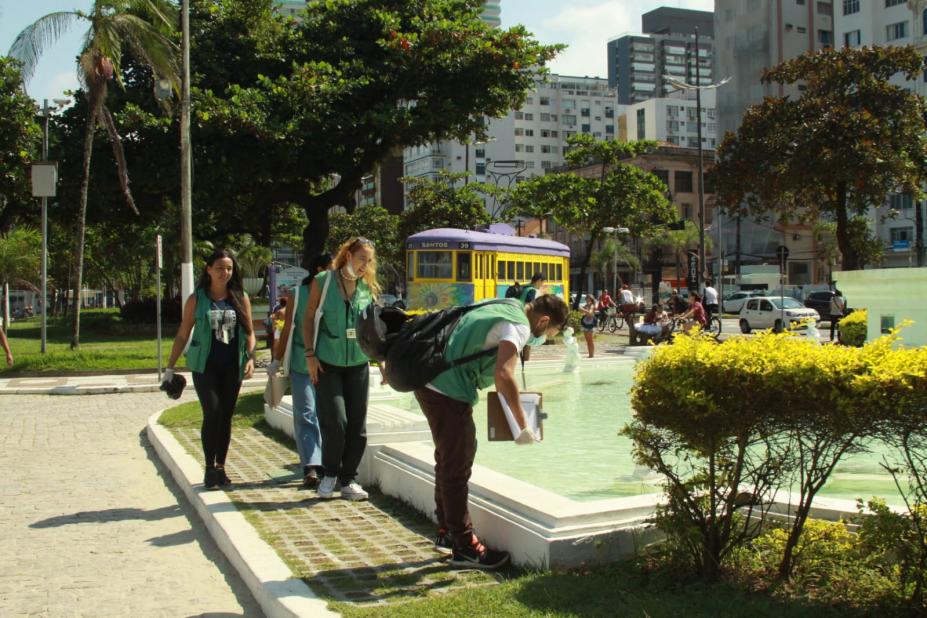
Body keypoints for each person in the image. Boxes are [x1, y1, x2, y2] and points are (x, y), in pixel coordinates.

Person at [416, 294, 570, 569]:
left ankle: (447, 533)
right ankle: (465, 547)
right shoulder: (520, 325)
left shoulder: (507, 305)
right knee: (457, 464)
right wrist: (522, 425)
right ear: (544, 320)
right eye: (550, 333)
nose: (544, 338)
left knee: (449, 457)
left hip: (430, 376)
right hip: (446, 388)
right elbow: (504, 374)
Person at [164, 249, 256, 489]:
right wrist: (170, 366)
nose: (224, 272)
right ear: (208, 270)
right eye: (219, 268)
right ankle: (208, 468)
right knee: (212, 412)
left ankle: (221, 468)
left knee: (225, 417)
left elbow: (250, 333)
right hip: (206, 366)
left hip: (232, 365)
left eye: (228, 268)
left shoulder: (239, 296)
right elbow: (183, 333)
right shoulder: (198, 299)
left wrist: (250, 357)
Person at [303, 238, 377, 501]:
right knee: (335, 421)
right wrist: (310, 354)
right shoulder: (323, 281)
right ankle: (330, 474)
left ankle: (349, 480)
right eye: (361, 259)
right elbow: (309, 318)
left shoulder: (367, 286)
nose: (365, 265)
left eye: (369, 261)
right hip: (327, 363)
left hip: (358, 363)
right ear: (347, 256)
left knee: (357, 425)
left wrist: (383, 360)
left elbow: (372, 328)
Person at [270, 253, 332, 489]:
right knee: (306, 412)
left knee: (328, 414)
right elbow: (289, 328)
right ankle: (311, 465)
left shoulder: (340, 291)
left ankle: (328, 463)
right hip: (301, 360)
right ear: (318, 269)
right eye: (330, 267)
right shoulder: (298, 294)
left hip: (329, 361)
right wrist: (276, 359)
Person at [519, 273, 546, 361]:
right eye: (542, 283)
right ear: (538, 281)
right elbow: (529, 306)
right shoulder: (532, 290)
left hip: (515, 314)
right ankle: (526, 362)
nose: (542, 285)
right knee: (528, 341)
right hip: (525, 317)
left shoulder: (523, 287)